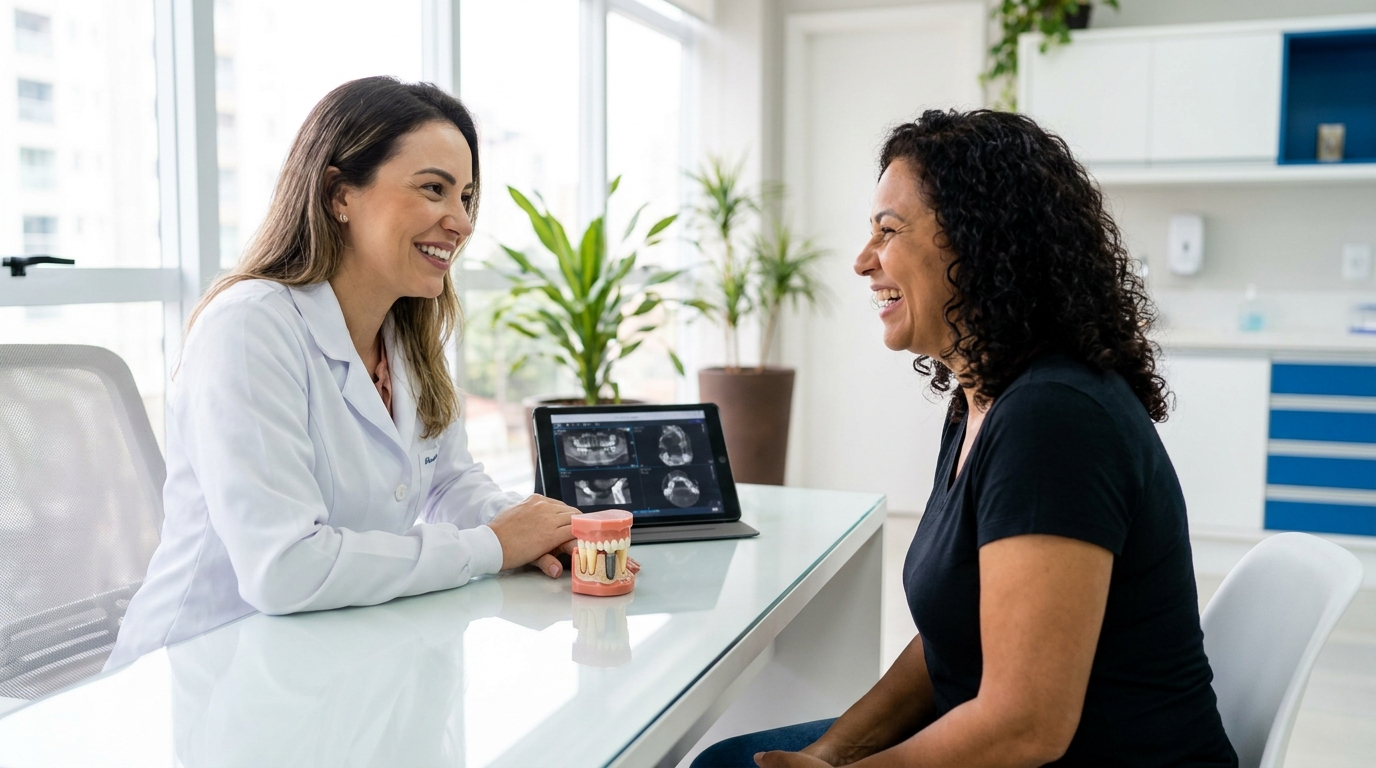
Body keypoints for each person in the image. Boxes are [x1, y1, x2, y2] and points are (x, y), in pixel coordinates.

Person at [693, 110, 1238, 767]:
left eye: (888, 231)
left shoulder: (1053, 419)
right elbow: (950, 640)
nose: (864, 261)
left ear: (978, 242)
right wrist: (833, 752)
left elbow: (1024, 726)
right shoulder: (983, 397)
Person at [107, 77, 595, 670]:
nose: (461, 222)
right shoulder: (249, 328)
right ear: (340, 193)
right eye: (433, 189)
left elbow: (447, 483)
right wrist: (493, 546)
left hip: (326, 659)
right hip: (203, 674)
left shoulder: (407, 337)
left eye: (464, 197)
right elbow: (284, 569)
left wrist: (539, 532)